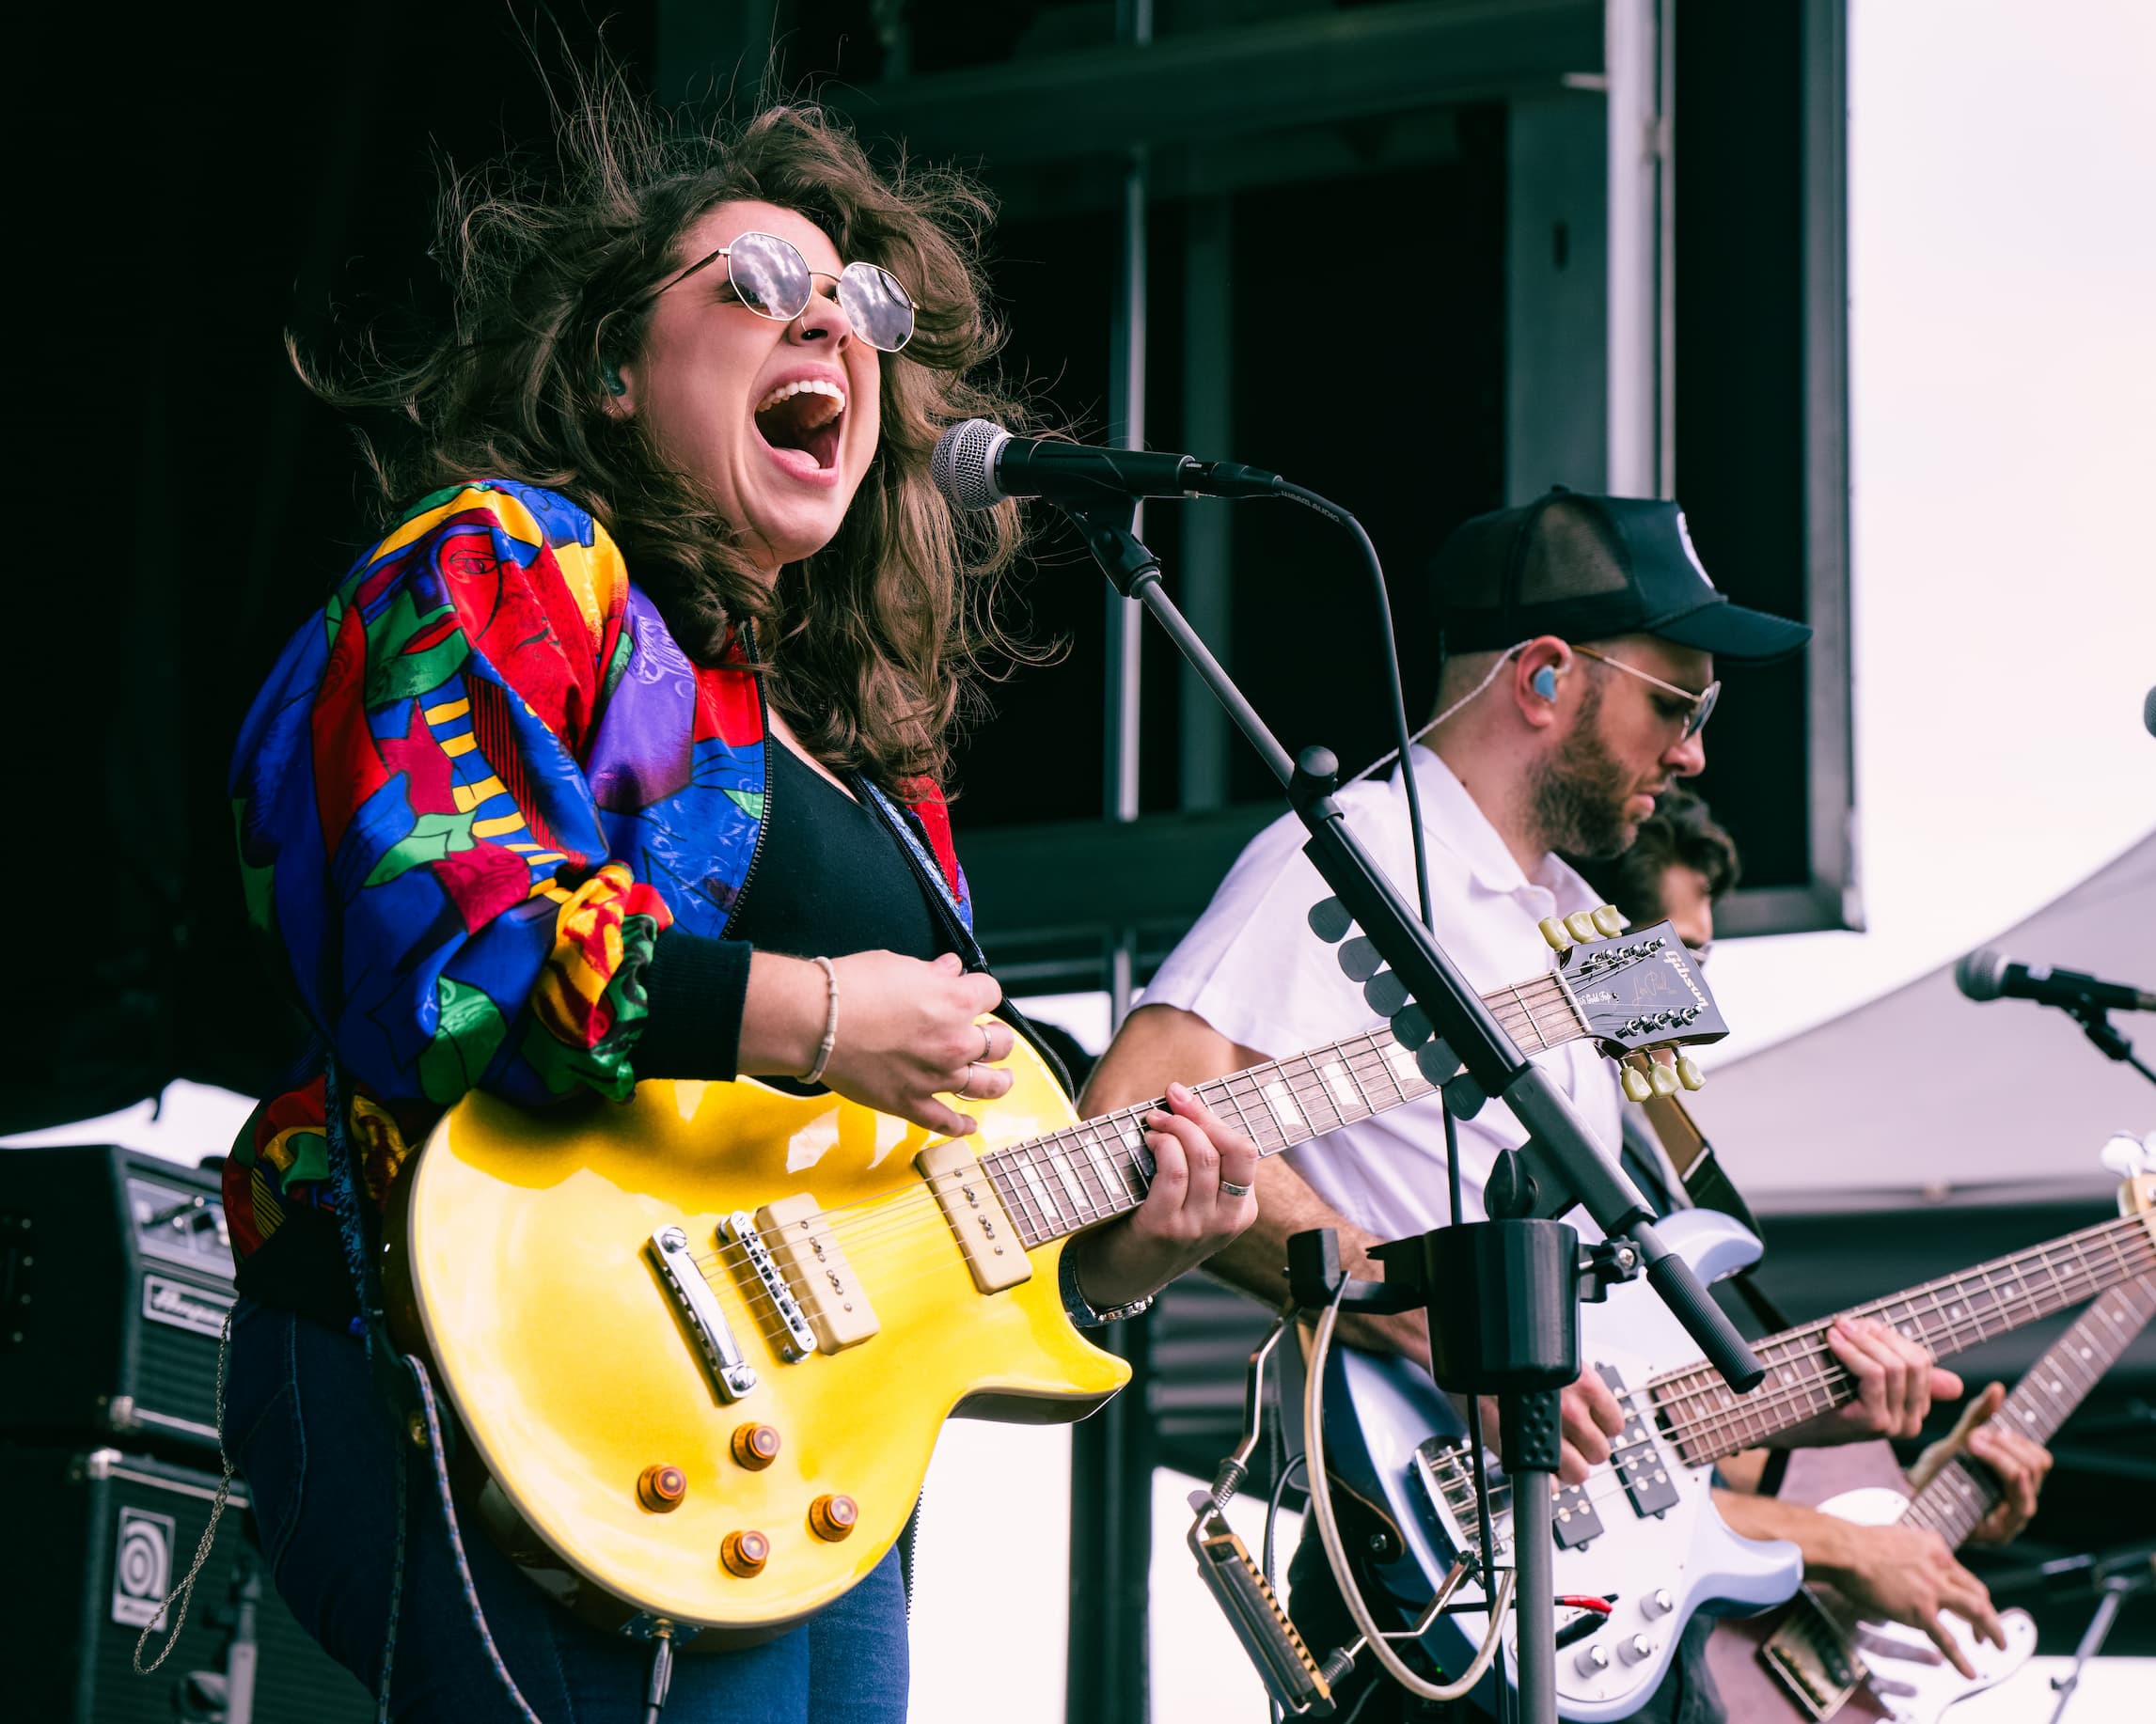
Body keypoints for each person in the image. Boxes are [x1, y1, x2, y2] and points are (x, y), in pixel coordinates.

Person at [212, 90, 1257, 1724]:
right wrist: (821, 1013)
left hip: (787, 1449)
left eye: (860, 308)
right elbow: (443, 945)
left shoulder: (865, 750)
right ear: (612, 369)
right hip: (496, 1358)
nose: (825, 321)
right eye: (758, 280)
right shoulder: (511, 566)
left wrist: (1111, 1250)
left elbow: (877, 1190)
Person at [1079, 491, 2013, 1721]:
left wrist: (1816, 1397)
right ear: (1542, 677)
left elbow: (1616, 1367)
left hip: (1587, 1575)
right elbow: (1140, 1112)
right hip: (1423, 1565)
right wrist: (1431, 1322)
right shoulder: (1359, 854)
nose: (1691, 752)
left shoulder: (1569, 922)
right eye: (1676, 704)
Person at [1587, 793, 2056, 1694]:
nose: (1693, 991)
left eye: (1703, 959)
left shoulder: (1652, 1151)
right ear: (1584, 934)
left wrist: (1923, 1489)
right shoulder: (1522, 1144)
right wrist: (1847, 1544)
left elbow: (1681, 1440)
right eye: (1678, 954)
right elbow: (1594, 1472)